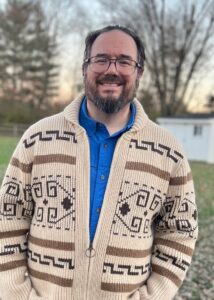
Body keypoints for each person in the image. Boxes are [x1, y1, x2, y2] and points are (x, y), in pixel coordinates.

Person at [0, 25, 198, 300]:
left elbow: (180, 233)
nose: (112, 70)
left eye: (125, 61)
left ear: (139, 71)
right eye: (101, 59)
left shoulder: (169, 152)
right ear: (85, 67)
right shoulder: (37, 139)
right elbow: (7, 220)